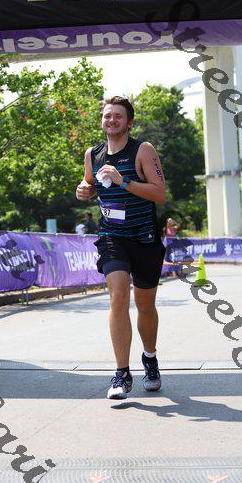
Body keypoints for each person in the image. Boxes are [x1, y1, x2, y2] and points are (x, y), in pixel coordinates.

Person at [76, 95, 166, 400]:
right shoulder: (93, 154)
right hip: (112, 237)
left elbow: (159, 193)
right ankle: (122, 373)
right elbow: (89, 185)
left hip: (144, 238)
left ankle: (150, 359)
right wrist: (83, 191)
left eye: (117, 116)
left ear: (129, 123)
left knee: (145, 305)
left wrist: (123, 181)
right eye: (107, 115)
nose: (111, 120)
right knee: (117, 297)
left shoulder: (143, 150)